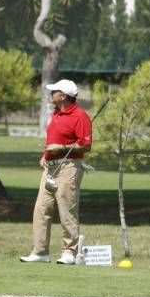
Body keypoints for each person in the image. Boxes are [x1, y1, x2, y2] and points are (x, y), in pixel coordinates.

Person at [20, 79, 92, 265]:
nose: (51, 94)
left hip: (68, 167)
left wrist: (61, 146)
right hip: (50, 168)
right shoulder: (57, 113)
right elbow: (53, 139)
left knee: (67, 210)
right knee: (41, 209)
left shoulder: (80, 116)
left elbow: (85, 145)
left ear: (63, 96)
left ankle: (69, 251)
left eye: (54, 91)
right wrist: (46, 156)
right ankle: (41, 252)